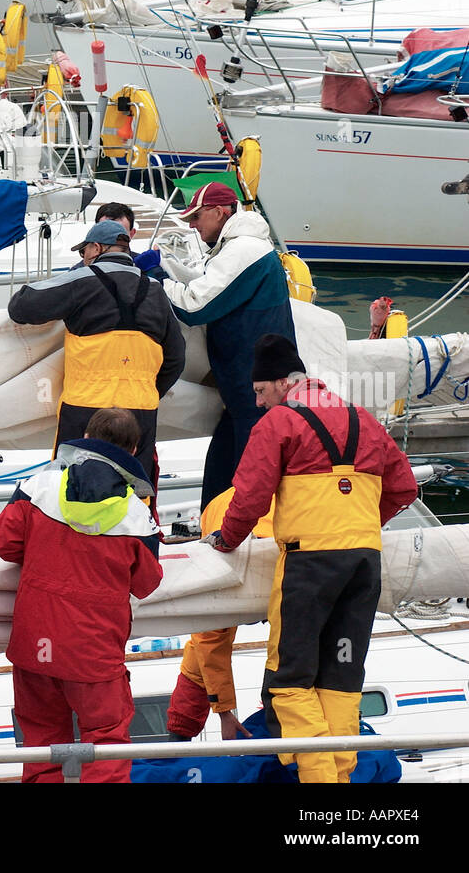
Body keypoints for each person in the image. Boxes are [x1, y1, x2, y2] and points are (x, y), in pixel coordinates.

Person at [208, 334, 418, 783]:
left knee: (289, 681)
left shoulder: (279, 424)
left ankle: (321, 781)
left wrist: (225, 541)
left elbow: (250, 499)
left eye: (261, 392)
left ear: (283, 383)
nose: (260, 404)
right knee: (341, 681)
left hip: (309, 565)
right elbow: (405, 489)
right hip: (364, 563)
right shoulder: (365, 419)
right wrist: (359, 523)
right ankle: (342, 777)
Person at [0, 406, 163, 783]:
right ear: (133, 450)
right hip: (93, 654)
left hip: (37, 643)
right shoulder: (136, 514)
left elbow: (2, 542)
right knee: (106, 744)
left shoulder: (40, 486)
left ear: (85, 436)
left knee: (42, 744)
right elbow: (147, 584)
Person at [7, 219, 186, 483]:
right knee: (132, 494)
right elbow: (176, 357)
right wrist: (147, 389)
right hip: (140, 411)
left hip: (86, 409)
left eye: (84, 252)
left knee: (71, 490)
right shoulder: (155, 290)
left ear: (96, 248)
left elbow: (21, 307)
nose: (83, 258)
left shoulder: (82, 279)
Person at [154, 182, 296, 510]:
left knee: (249, 476)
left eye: (197, 216)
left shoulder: (243, 250)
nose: (192, 225)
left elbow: (196, 306)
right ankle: (216, 525)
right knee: (223, 466)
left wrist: (158, 283)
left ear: (220, 212)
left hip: (256, 389)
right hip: (246, 385)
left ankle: (242, 535)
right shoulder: (241, 248)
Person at [166, 487, 274, 742]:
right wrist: (224, 711)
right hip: (269, 563)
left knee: (204, 644)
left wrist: (224, 712)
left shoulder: (217, 505)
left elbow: (208, 643)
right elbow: (209, 645)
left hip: (244, 553)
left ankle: (176, 744)